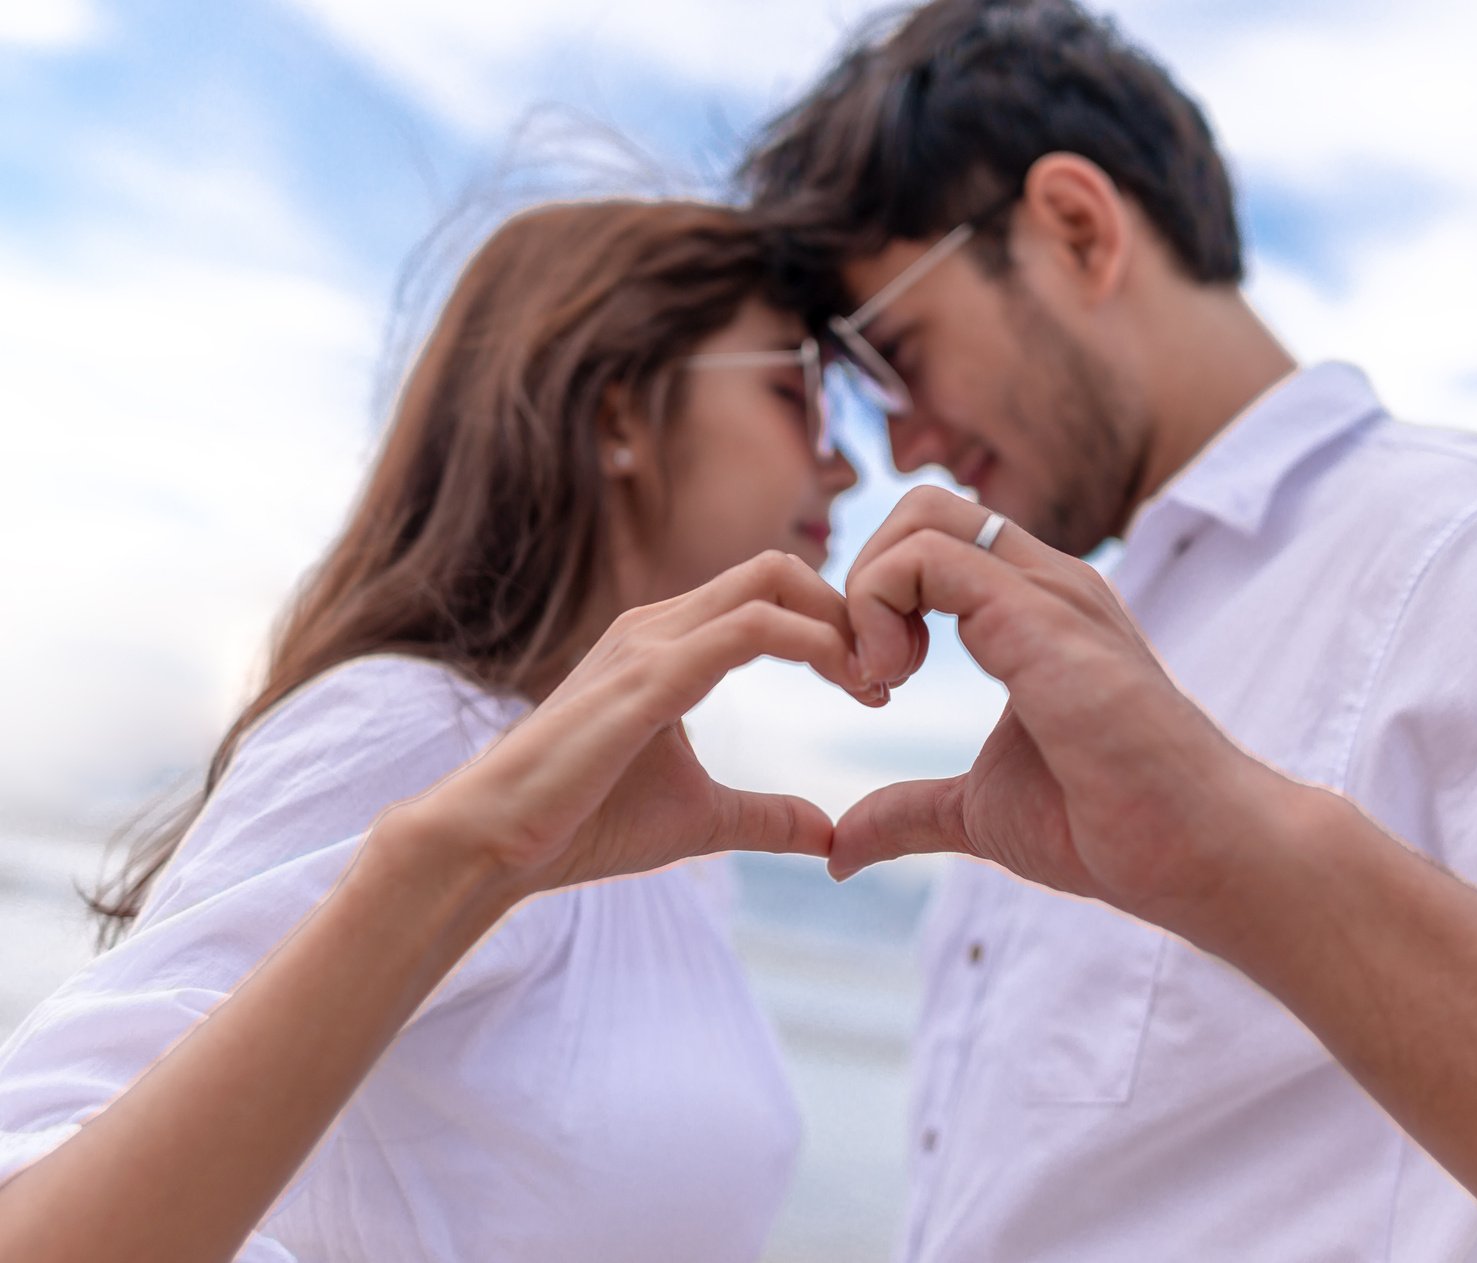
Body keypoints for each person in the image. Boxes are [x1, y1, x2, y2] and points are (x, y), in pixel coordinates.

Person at [741, 1, 1477, 1259]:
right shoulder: (1113, 644)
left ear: (1076, 229)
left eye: (899, 355)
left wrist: (1238, 857)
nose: (902, 444)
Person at [0, 199, 877, 1262]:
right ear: (615, 419)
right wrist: (456, 864)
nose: (847, 467)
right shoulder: (426, 733)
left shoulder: (669, 846)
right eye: (794, 396)